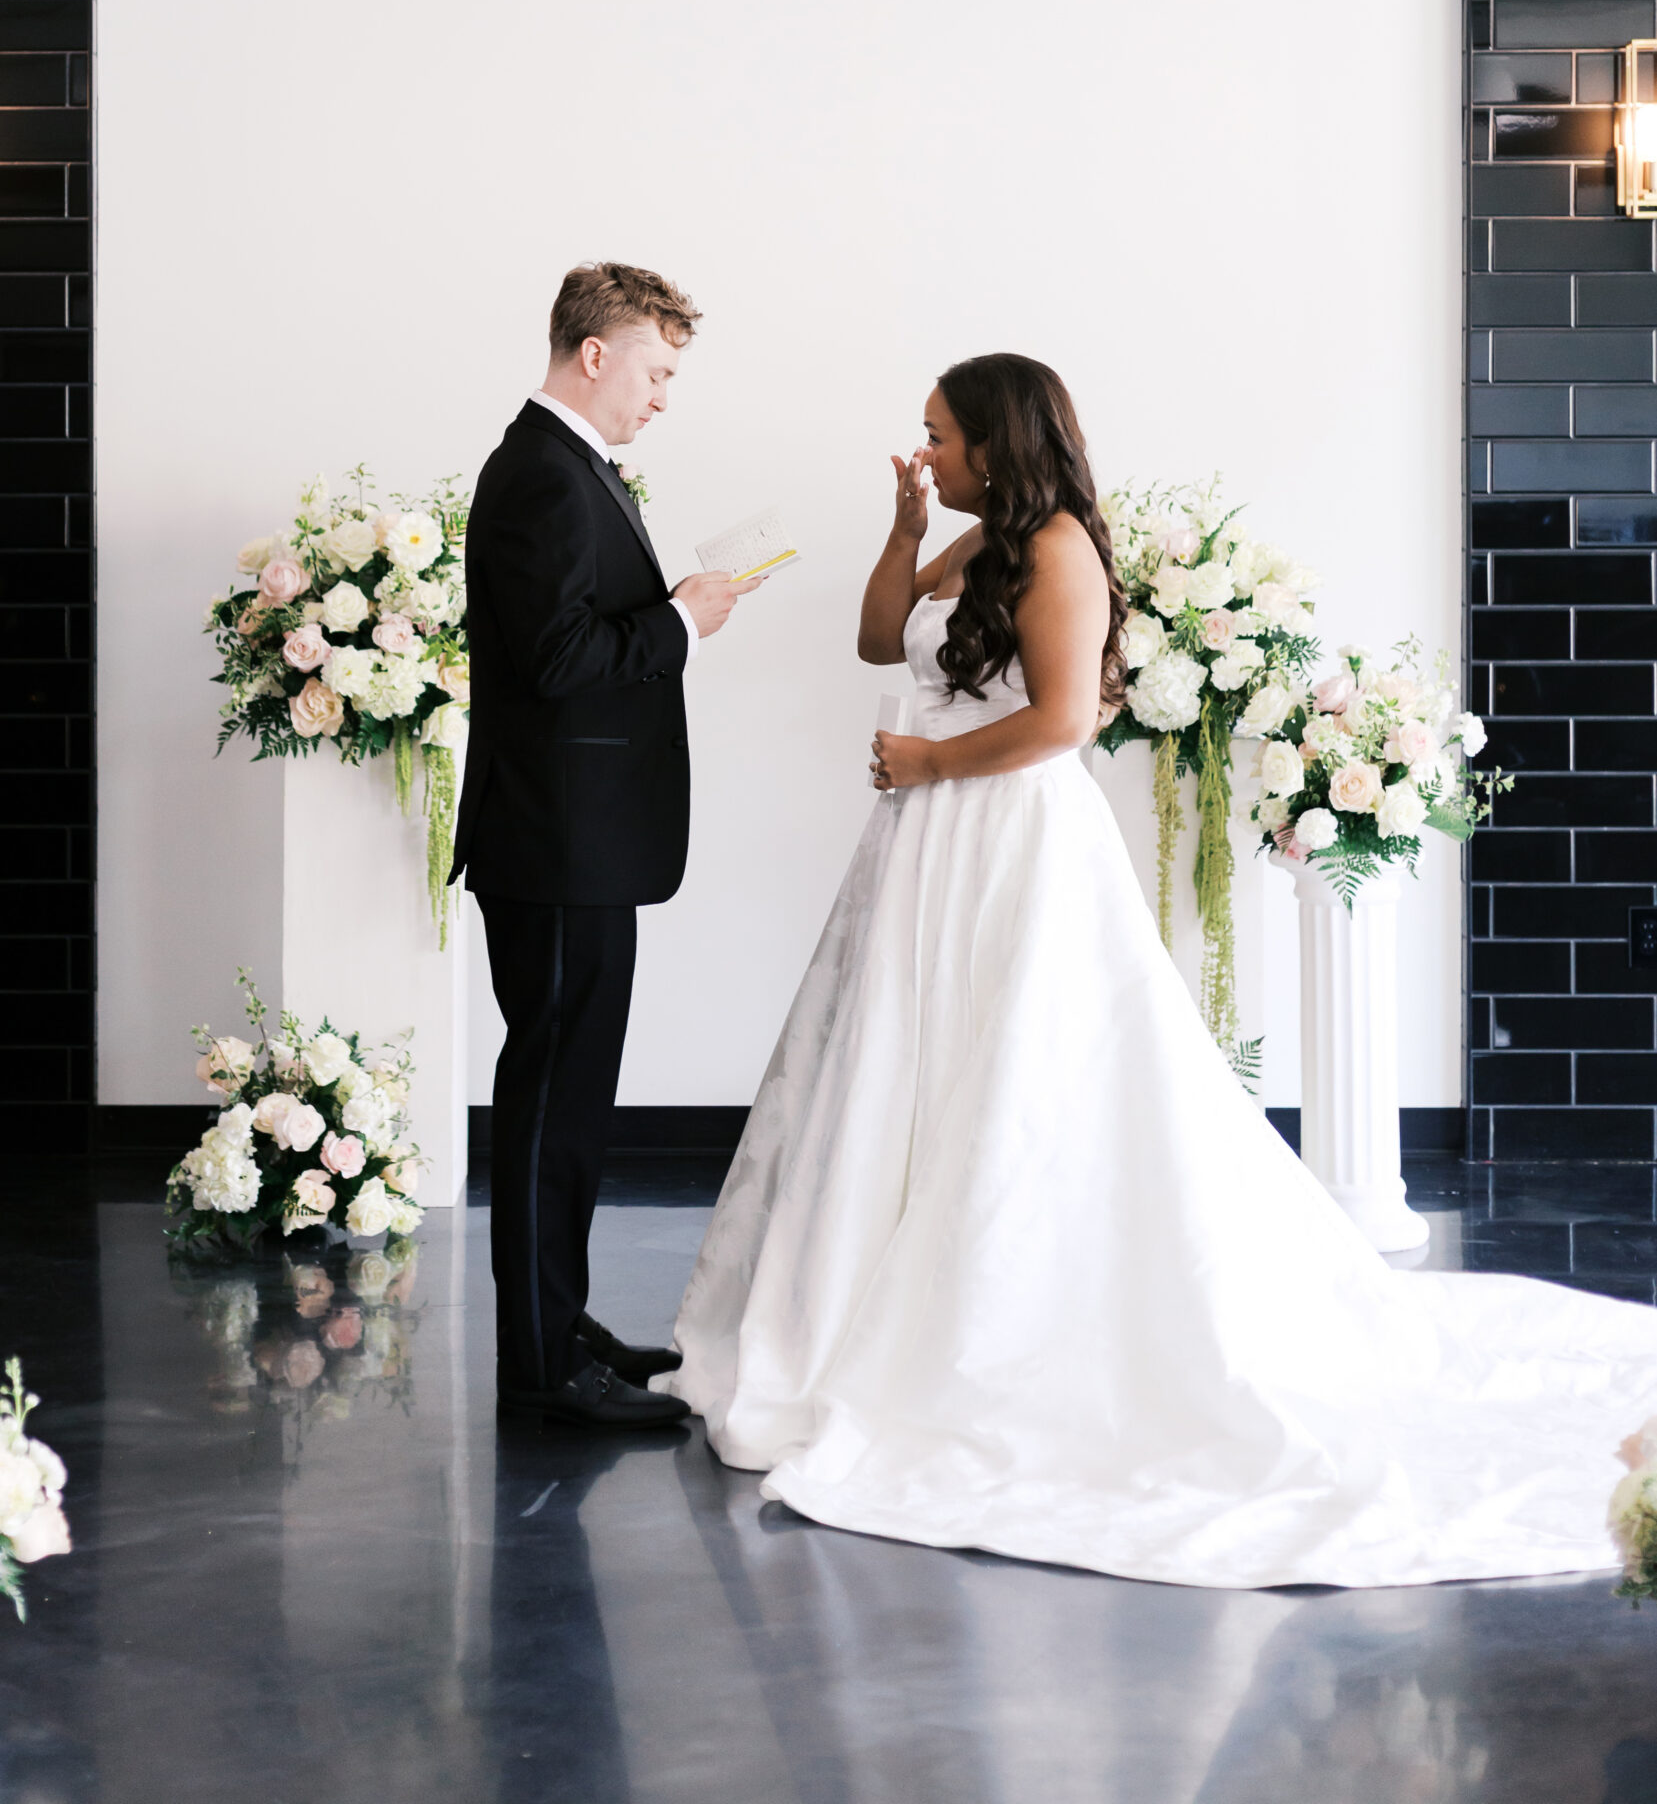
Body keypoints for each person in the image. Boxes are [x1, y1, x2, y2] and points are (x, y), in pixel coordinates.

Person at [662, 353, 1657, 1588]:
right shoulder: (969, 542)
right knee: (902, 1059)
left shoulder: (1058, 548)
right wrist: (904, 528)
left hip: (1006, 831)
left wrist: (926, 765)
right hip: (925, 844)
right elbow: (879, 639)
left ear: (997, 440)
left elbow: (1061, 719)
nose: (925, 450)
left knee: (1018, 1068)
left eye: (939, 435)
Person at [452, 261, 751, 1429]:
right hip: (555, 841)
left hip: (575, 840)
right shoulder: (541, 471)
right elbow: (558, 660)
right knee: (549, 1104)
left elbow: (567, 634)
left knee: (570, 1101)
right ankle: (539, 1369)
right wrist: (681, 619)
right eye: (656, 371)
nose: (662, 396)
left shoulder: (567, 466)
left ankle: (558, 1323)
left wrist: (672, 608)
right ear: (594, 354)